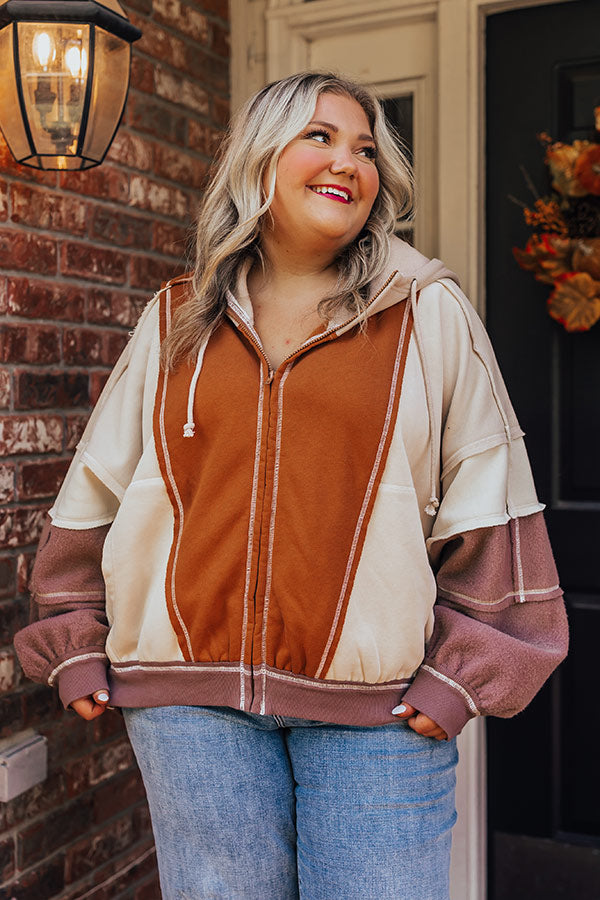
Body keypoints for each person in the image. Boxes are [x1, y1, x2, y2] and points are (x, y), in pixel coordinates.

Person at [14, 72, 568, 900]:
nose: (349, 160)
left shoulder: (425, 311)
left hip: (376, 719)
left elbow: (491, 490)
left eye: (367, 148)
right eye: (321, 136)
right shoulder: (174, 322)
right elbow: (96, 486)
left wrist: (463, 674)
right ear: (258, 158)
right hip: (188, 711)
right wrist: (72, 638)